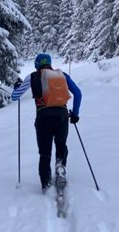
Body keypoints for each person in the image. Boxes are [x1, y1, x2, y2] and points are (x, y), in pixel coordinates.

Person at [12, 53, 82, 193]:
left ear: (36, 65)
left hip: (43, 117)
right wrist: (75, 114)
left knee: (44, 152)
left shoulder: (32, 77)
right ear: (50, 63)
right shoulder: (62, 76)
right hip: (62, 116)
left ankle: (46, 184)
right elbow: (78, 93)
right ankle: (60, 166)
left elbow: (15, 96)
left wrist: (17, 86)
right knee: (61, 144)